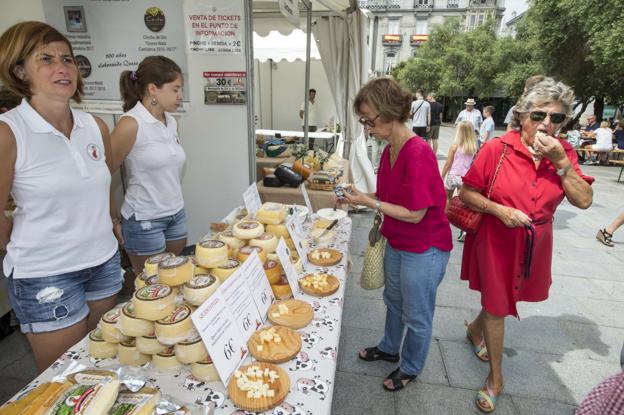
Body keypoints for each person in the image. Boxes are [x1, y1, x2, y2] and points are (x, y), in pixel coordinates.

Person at [459, 77, 593, 412]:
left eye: (557, 118)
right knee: (498, 304)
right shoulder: (497, 149)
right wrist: (499, 210)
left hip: (536, 242)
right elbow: (466, 193)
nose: (547, 124)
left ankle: (474, 330)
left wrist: (562, 163)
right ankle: (496, 379)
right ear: (522, 116)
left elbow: (585, 200)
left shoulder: (566, 156)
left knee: (500, 300)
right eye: (538, 115)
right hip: (495, 238)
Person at [0, 22, 121, 372]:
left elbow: (103, 187)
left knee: (100, 362)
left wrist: (113, 224)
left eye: (67, 58)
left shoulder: (94, 126)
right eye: (46, 59)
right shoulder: (10, 132)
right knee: (65, 377)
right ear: (20, 70)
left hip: (103, 263)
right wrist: (22, 249)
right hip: (46, 275)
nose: (62, 67)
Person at [343, 77, 452, 392]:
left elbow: (415, 213)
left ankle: (411, 366)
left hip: (424, 247)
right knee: (393, 300)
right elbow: (388, 195)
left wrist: (367, 201)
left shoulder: (417, 152)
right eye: (363, 121)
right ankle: (390, 347)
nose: (367, 127)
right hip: (399, 240)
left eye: (369, 120)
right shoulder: (390, 147)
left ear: (390, 112)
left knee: (417, 313)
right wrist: (360, 195)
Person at [110, 56, 187, 275]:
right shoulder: (130, 124)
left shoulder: (172, 122)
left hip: (176, 213)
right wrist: (113, 219)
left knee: (173, 277)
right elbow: (103, 173)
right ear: (153, 89)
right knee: (150, 284)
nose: (180, 96)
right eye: (175, 90)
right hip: (144, 218)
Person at [441, 121, 477, 242]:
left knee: (447, 198)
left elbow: (448, 163)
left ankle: (444, 222)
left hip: (453, 175)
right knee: (464, 202)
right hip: (464, 177)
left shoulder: (455, 146)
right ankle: (463, 229)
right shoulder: (473, 147)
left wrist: (441, 175)